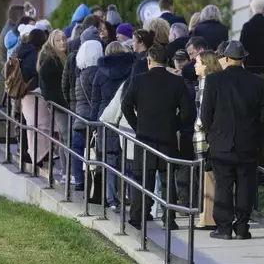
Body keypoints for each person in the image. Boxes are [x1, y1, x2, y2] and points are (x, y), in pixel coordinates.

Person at [121, 44, 193, 230]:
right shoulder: (177, 82)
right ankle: (169, 218)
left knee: (142, 178)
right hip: (167, 137)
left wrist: (137, 125)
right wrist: (174, 125)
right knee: (168, 180)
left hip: (145, 137)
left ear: (149, 60)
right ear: (167, 61)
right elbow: (187, 112)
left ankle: (138, 215)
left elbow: (125, 106)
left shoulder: (137, 81)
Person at [201, 41, 264, 240]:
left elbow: (205, 114)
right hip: (248, 143)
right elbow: (262, 117)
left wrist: (210, 135)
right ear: (243, 59)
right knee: (246, 186)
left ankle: (224, 227)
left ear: (226, 58)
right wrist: (257, 138)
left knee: (223, 185)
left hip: (221, 142)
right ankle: (243, 226)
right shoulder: (256, 82)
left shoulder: (214, 81)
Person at [90, 41, 135, 212]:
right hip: (126, 118)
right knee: (128, 161)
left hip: (106, 120)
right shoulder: (131, 71)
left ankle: (111, 199)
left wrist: (94, 123)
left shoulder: (100, 74)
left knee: (109, 161)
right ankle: (130, 196)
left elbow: (95, 102)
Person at [193, 50, 223, 229]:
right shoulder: (210, 81)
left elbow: (204, 110)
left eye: (197, 62)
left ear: (206, 65)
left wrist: (198, 126)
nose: (195, 65)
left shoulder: (207, 82)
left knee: (207, 176)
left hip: (204, 136)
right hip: (211, 135)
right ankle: (206, 214)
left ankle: (207, 215)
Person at [38, 29, 72, 184]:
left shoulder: (65, 57)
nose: (62, 43)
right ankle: (67, 171)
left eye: (64, 39)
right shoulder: (50, 61)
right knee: (66, 137)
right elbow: (47, 87)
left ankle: (68, 171)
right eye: (58, 40)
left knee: (67, 137)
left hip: (66, 103)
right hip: (60, 105)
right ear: (52, 42)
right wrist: (59, 102)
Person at [72, 39, 104, 191]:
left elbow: (70, 94)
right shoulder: (96, 73)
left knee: (78, 149)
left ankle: (79, 181)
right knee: (95, 153)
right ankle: (94, 186)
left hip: (79, 117)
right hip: (92, 119)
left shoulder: (80, 74)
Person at [17, 29, 51, 165]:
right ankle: (37, 156)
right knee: (40, 125)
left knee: (30, 124)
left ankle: (30, 153)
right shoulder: (35, 54)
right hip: (35, 92)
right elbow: (36, 71)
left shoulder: (23, 51)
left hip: (25, 92)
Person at [62, 23, 97, 112]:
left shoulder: (72, 57)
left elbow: (65, 84)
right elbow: (65, 83)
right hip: (81, 105)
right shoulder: (73, 57)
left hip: (76, 105)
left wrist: (69, 101)